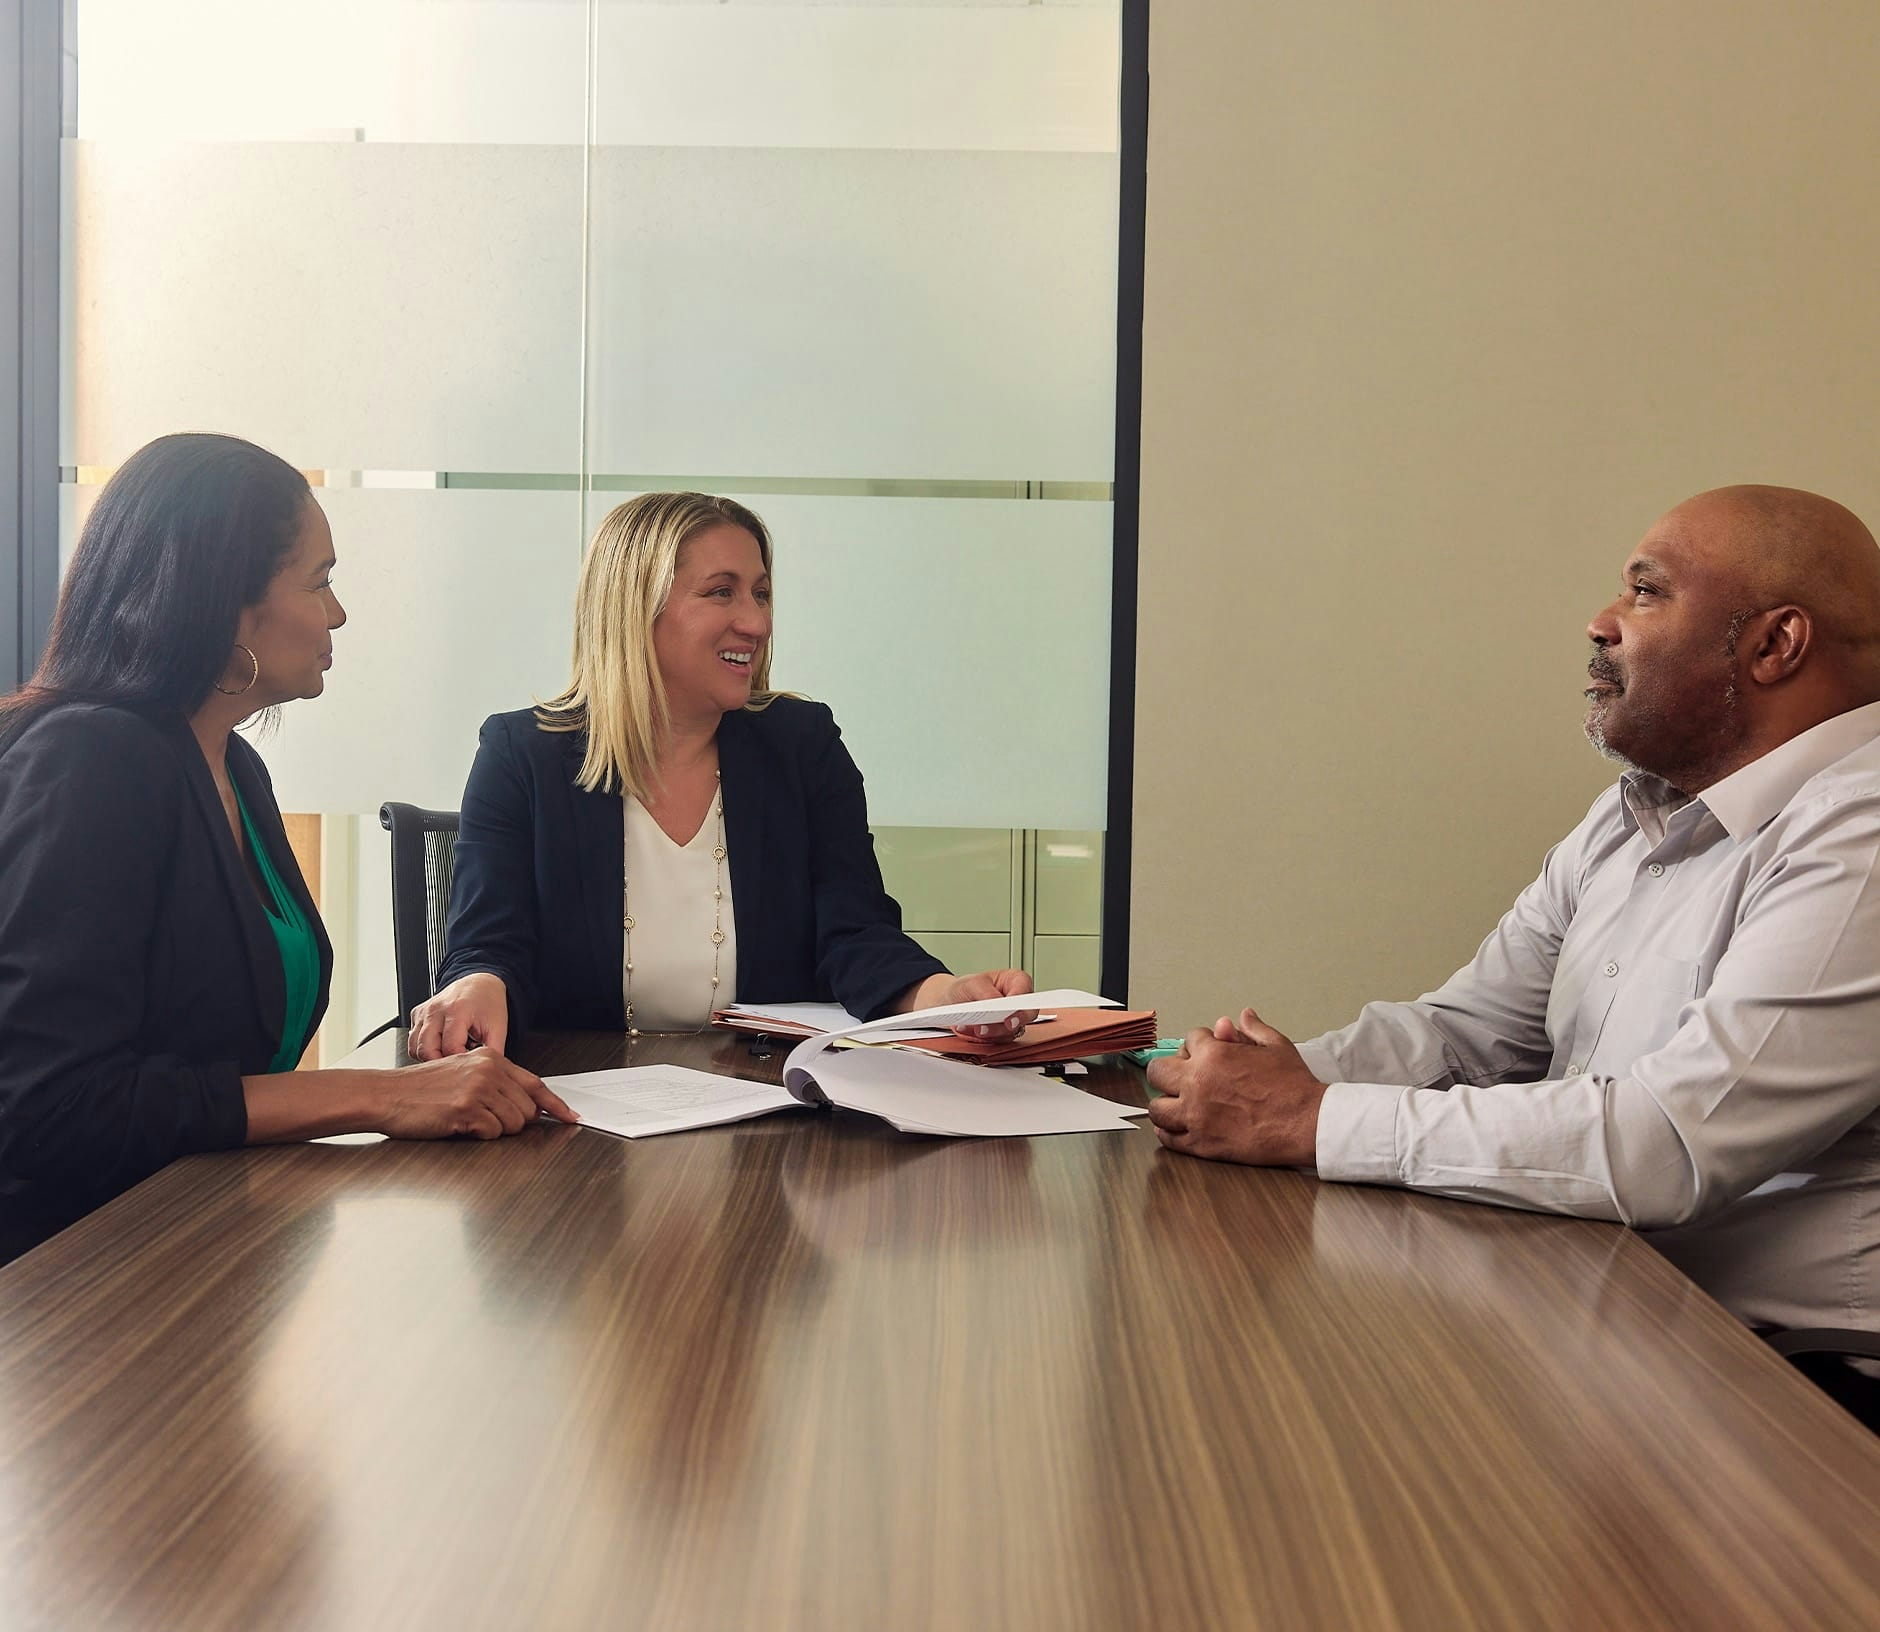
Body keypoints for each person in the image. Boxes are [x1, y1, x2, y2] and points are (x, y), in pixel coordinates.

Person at [1146, 484, 1880, 1341]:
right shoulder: (1631, 814)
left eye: (1646, 592)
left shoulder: (1859, 836)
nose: (1602, 623)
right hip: (1610, 1320)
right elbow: (1467, 1038)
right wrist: (1238, 1086)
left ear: (1773, 645)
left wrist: (1306, 1118)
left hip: (1798, 1393)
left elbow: (1670, 1145)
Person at [0, 434, 576, 1259]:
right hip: (79, 1278)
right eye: (320, 581)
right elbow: (49, 1107)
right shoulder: (91, 761)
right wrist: (377, 1099)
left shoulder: (235, 766)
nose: (338, 612)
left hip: (210, 1238)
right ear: (225, 603)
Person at [413, 491, 1033, 1058]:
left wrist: (942, 994)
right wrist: (477, 985)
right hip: (577, 1114)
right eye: (722, 592)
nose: (757, 623)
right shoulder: (521, 755)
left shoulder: (802, 746)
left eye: (760, 594)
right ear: (636, 608)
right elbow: (489, 943)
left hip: (770, 1112)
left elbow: (855, 932)